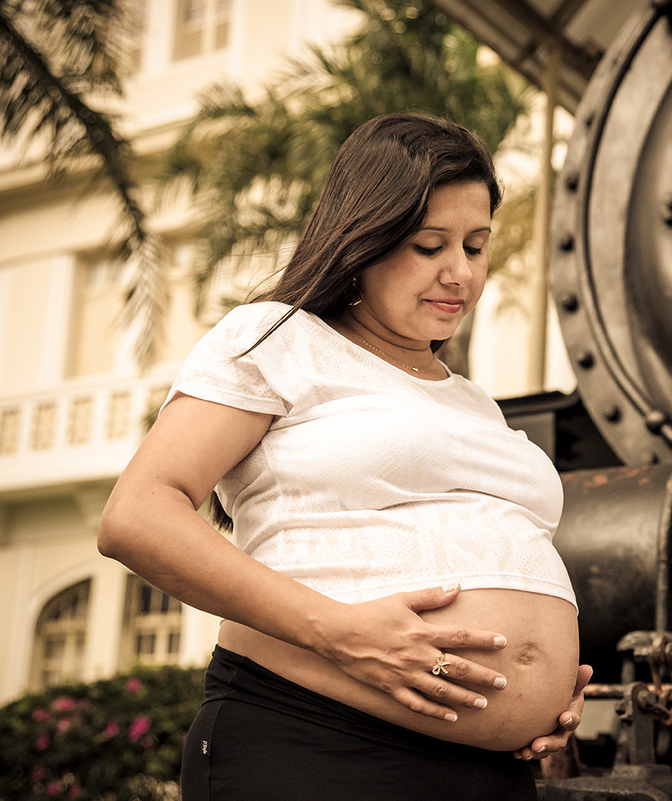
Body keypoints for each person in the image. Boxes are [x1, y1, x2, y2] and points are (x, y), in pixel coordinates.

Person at [97, 112, 592, 801]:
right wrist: (340, 631)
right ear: (365, 238)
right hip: (319, 740)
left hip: (491, 773)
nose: (461, 272)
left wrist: (541, 692)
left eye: (476, 246)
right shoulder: (278, 339)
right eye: (429, 245)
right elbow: (136, 516)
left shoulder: (474, 402)